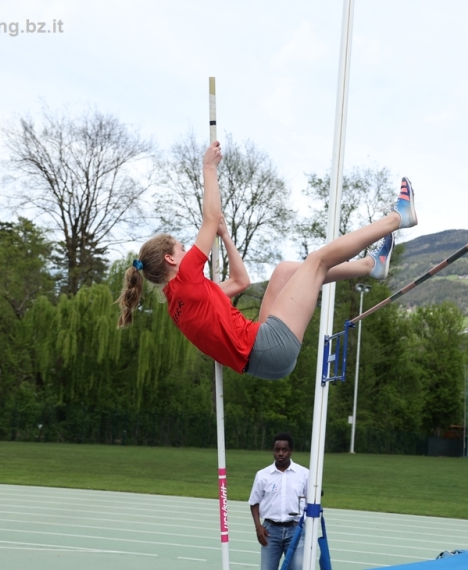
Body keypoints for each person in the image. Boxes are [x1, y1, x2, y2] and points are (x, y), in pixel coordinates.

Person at [116, 140, 418, 379]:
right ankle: (396, 218)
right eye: (182, 249)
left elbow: (240, 281)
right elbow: (210, 216)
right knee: (317, 260)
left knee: (285, 271)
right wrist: (209, 168)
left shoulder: (179, 302)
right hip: (268, 348)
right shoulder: (187, 279)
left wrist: (226, 236)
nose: (188, 252)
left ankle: (371, 266)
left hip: (263, 357)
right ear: (170, 259)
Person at [249, 433, 309, 570]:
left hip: (296, 530)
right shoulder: (262, 475)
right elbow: (254, 503)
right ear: (273, 451)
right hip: (270, 531)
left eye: (284, 450)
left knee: (298, 568)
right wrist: (258, 527)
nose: (280, 453)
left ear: (291, 451)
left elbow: (311, 502)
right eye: (277, 450)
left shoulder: (304, 474)